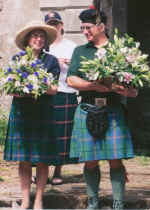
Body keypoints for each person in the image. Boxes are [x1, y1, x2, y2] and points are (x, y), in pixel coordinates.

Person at [67, 8, 138, 210]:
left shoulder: (119, 50)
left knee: (115, 159)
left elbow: (133, 87)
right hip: (88, 109)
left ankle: (118, 202)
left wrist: (129, 92)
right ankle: (92, 201)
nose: (84, 31)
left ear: (101, 26)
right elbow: (71, 79)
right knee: (90, 160)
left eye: (88, 27)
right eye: (82, 28)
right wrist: (94, 86)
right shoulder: (81, 51)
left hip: (113, 110)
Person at [4, 21, 60, 209]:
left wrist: (36, 86)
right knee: (25, 159)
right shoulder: (17, 59)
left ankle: (39, 199)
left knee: (43, 159)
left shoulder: (51, 61)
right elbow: (11, 89)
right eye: (35, 36)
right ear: (28, 39)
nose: (39, 39)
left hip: (43, 113)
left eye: (42, 36)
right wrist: (24, 89)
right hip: (22, 113)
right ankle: (26, 198)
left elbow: (53, 89)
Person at [44, 11, 78, 185]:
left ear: (61, 25)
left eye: (56, 23)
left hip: (66, 92)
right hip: (46, 94)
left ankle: (58, 170)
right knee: (43, 133)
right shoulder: (43, 45)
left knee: (62, 135)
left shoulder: (71, 46)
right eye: (50, 23)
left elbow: (80, 69)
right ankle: (40, 171)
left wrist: (69, 64)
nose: (53, 26)